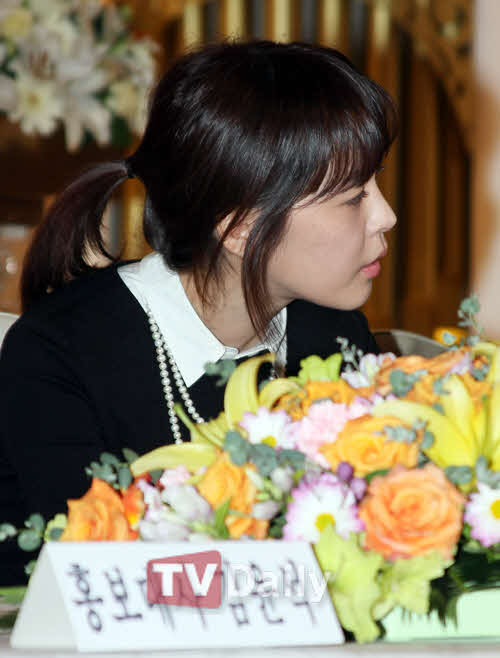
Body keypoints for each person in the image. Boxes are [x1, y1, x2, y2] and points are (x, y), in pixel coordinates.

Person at [0, 40, 397, 584]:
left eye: (377, 183)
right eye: (354, 197)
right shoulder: (60, 356)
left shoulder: (331, 331)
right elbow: (102, 581)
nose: (386, 215)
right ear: (239, 227)